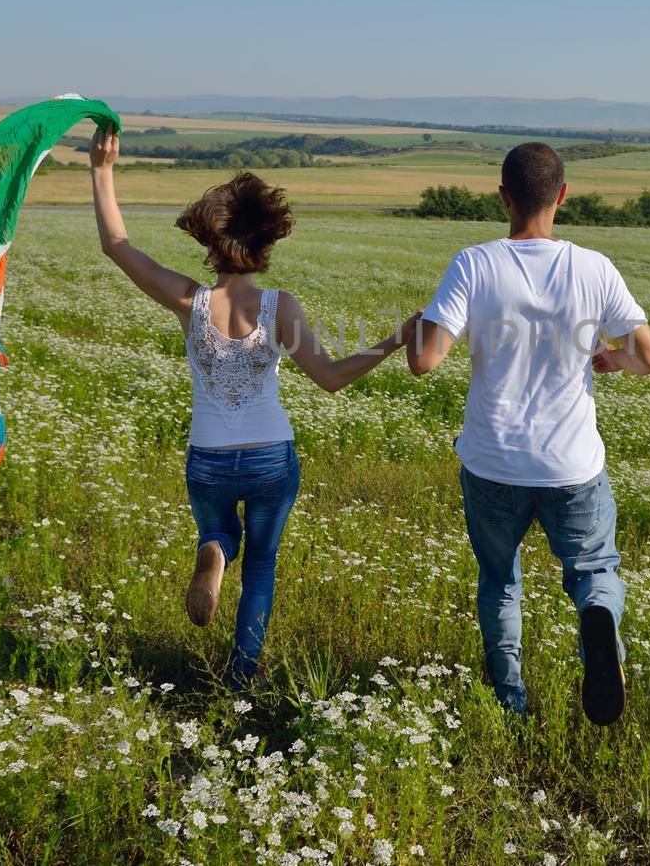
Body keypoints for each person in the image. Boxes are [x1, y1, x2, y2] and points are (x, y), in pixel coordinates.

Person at [87, 127, 417, 688]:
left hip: (208, 455)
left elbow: (117, 246)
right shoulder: (278, 307)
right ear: (263, 243)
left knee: (218, 530)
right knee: (261, 569)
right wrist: (395, 339)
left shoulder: (189, 300)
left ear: (210, 243)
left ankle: (215, 550)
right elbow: (332, 379)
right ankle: (241, 677)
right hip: (270, 456)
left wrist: (102, 169)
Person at [405, 142, 650, 725]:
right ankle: (596, 615)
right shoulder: (595, 267)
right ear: (563, 195)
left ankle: (509, 698)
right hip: (572, 465)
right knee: (595, 571)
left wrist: (416, 331)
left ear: (504, 197)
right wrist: (611, 360)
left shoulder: (474, 263)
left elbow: (426, 362)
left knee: (499, 579)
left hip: (492, 460)